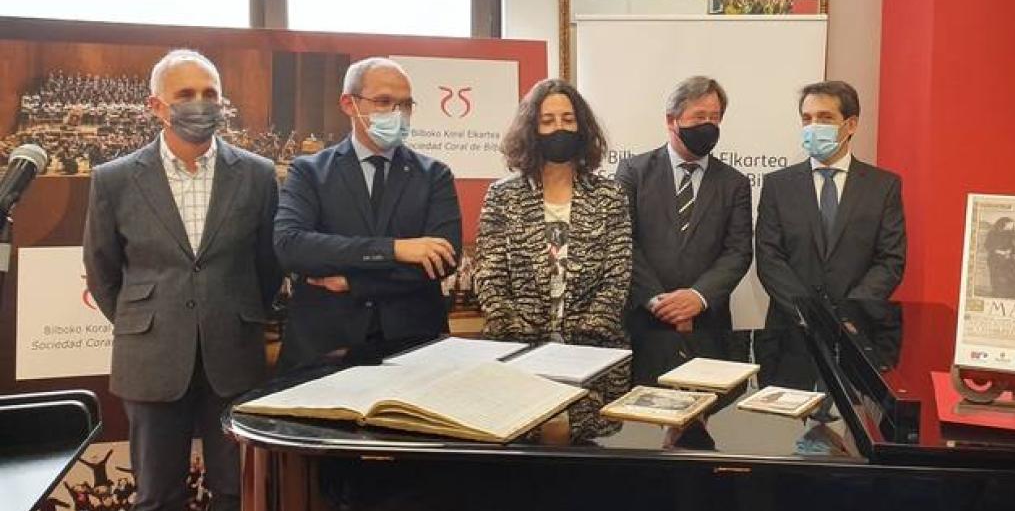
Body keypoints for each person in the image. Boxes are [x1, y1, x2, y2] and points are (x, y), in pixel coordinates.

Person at [83, 49, 281, 511]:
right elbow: (102, 270)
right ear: (156, 105)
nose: (201, 103)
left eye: (210, 93)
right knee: (157, 495)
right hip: (150, 359)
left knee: (237, 492)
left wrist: (235, 311)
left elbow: (269, 267)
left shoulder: (257, 174)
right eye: (186, 93)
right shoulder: (113, 179)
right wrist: (146, 320)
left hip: (234, 355)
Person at [274, 57, 462, 370]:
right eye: (384, 101)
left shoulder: (434, 176)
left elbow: (443, 260)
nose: (397, 113)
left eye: (406, 104)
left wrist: (354, 281)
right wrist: (394, 249)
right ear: (349, 104)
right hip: (325, 347)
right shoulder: (309, 172)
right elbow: (292, 246)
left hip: (414, 345)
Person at [473, 79, 631, 440]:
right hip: (517, 360)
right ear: (531, 130)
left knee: (590, 459)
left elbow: (617, 275)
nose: (559, 128)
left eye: (568, 119)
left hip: (594, 358)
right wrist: (522, 338)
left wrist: (582, 339)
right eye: (547, 121)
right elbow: (490, 277)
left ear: (582, 127)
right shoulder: (503, 196)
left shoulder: (609, 195)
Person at [615, 76, 752, 382]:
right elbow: (623, 243)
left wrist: (697, 297)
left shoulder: (735, 183)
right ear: (671, 120)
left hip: (709, 329)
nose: (708, 125)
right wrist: (661, 303)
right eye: (699, 117)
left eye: (714, 118)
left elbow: (738, 252)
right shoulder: (633, 172)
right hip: (644, 327)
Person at [756, 80, 906, 327]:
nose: (814, 126)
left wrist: (850, 312)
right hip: (790, 328)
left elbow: (889, 261)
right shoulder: (778, 185)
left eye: (825, 118)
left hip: (856, 327)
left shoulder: (883, 186)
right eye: (807, 119)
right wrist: (807, 313)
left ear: (851, 124)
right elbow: (769, 258)